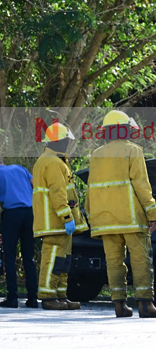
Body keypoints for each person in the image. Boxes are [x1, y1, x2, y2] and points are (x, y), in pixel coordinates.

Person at [88, 111, 156, 318]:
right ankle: (146, 305)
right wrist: (152, 213)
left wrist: (92, 217)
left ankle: (119, 306)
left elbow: (91, 188)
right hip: (131, 219)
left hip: (105, 220)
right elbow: (141, 185)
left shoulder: (96, 154)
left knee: (113, 261)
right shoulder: (133, 151)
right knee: (141, 260)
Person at [32, 123, 87, 310]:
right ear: (58, 141)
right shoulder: (53, 162)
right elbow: (58, 193)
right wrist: (67, 217)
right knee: (53, 260)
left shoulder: (51, 160)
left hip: (58, 224)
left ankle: (61, 296)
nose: (67, 144)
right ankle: (48, 298)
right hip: (55, 223)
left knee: (63, 261)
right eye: (65, 140)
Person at [0, 157, 39, 308]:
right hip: (29, 213)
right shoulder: (20, 169)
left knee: (9, 256)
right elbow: (35, 185)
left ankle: (12, 298)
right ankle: (33, 298)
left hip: (12, 215)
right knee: (28, 257)